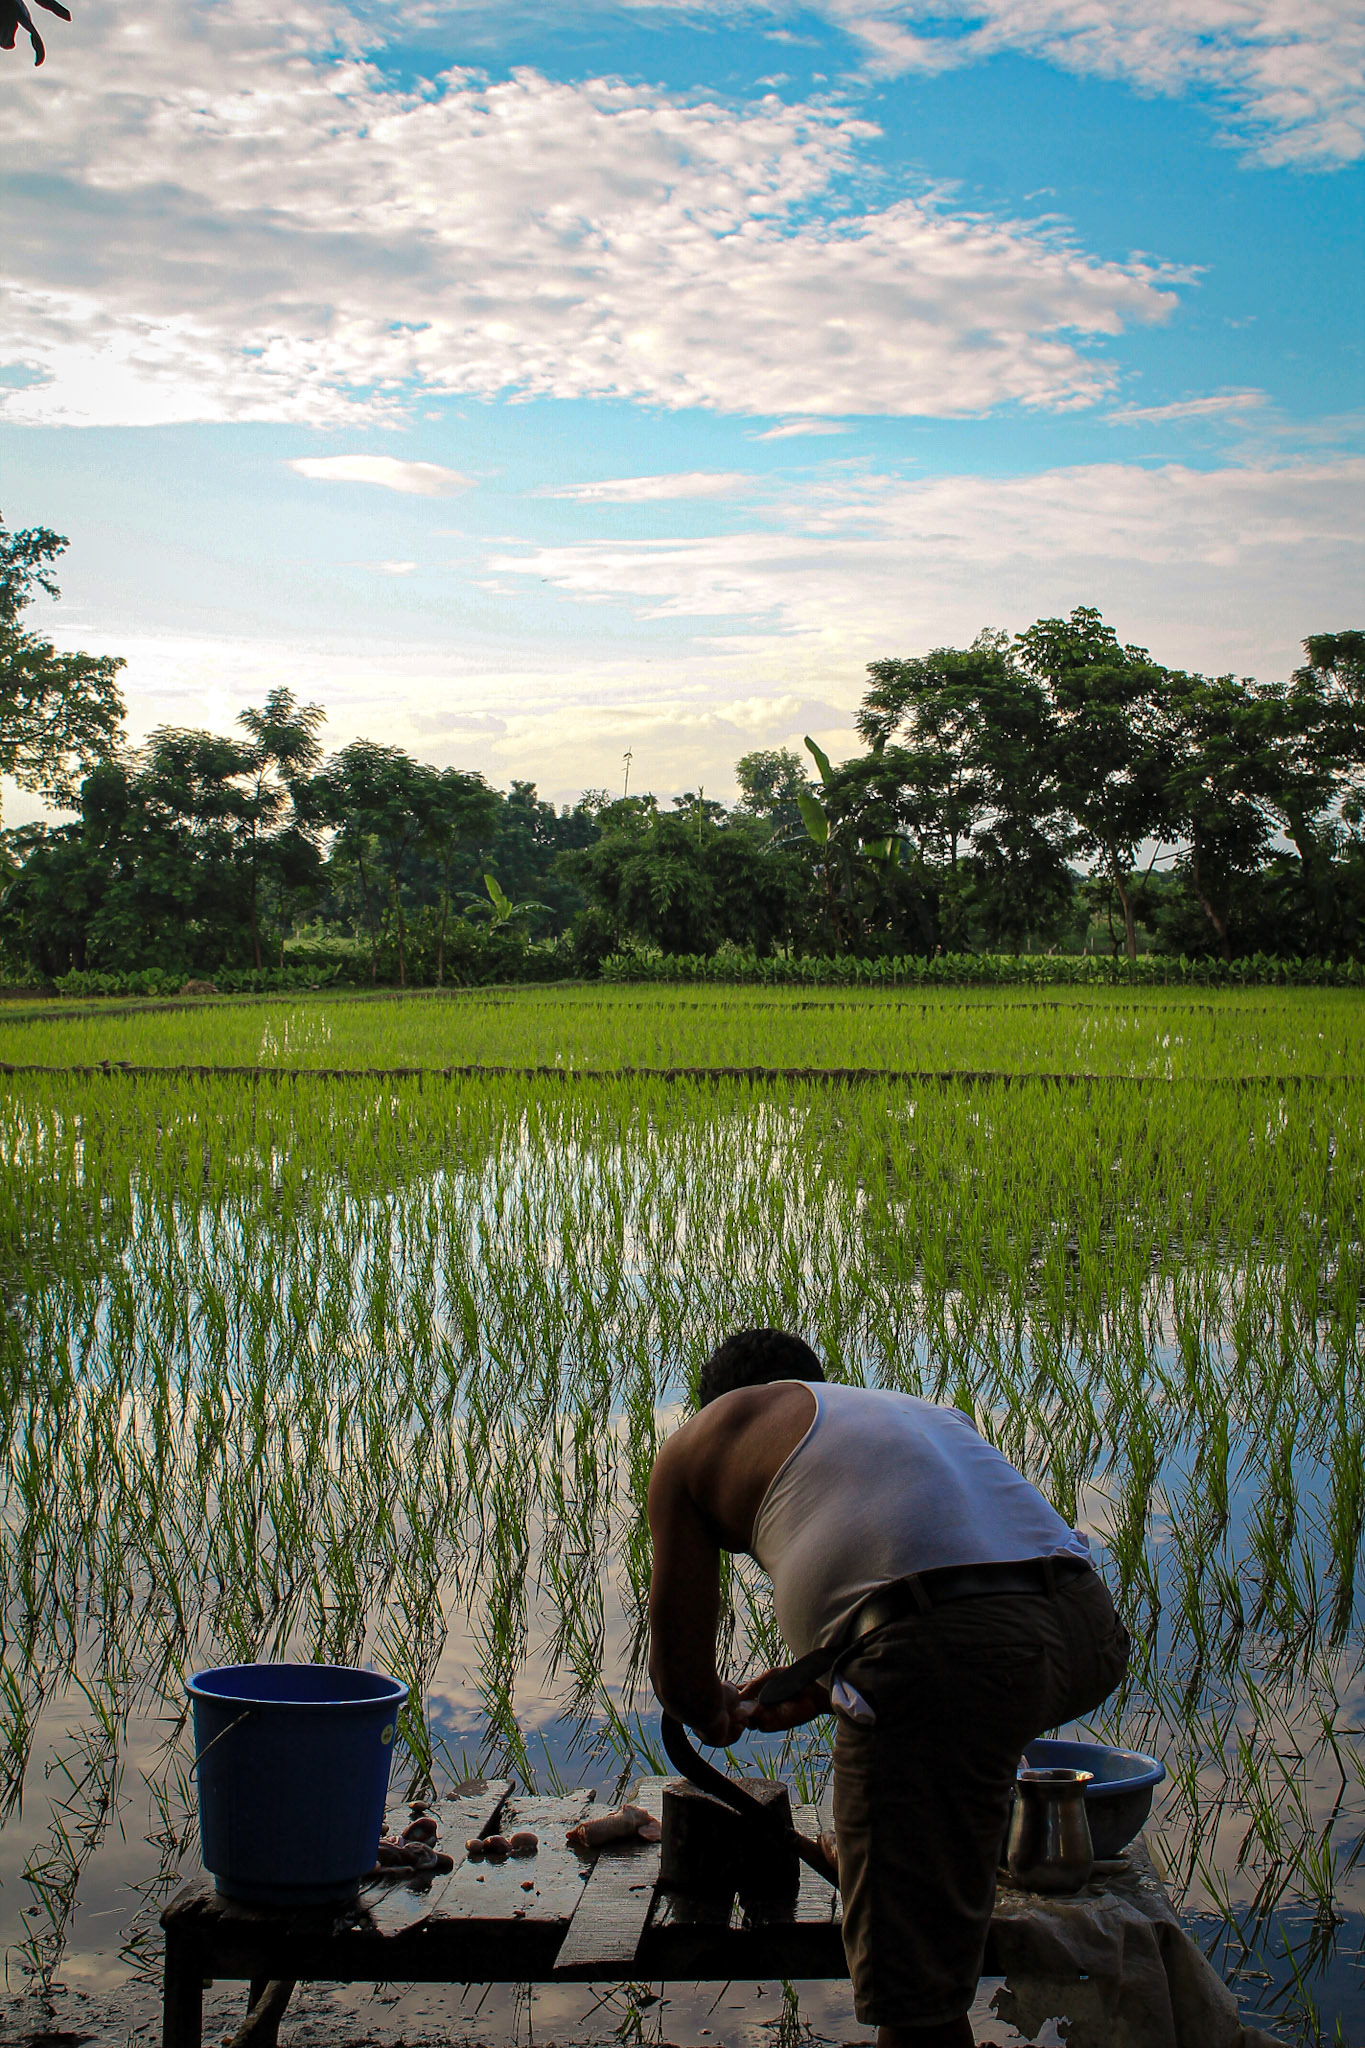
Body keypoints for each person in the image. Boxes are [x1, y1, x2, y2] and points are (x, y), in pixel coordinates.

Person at [647, 1328, 1131, 2048]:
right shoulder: (904, 1411)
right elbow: (941, 1560)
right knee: (955, 1730)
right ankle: (931, 1850)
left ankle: (914, 1889)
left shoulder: (694, 1443)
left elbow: (680, 1683)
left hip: (946, 1651)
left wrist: (717, 1714)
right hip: (1085, 1626)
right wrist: (824, 1679)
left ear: (718, 1404)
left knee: (916, 2008)